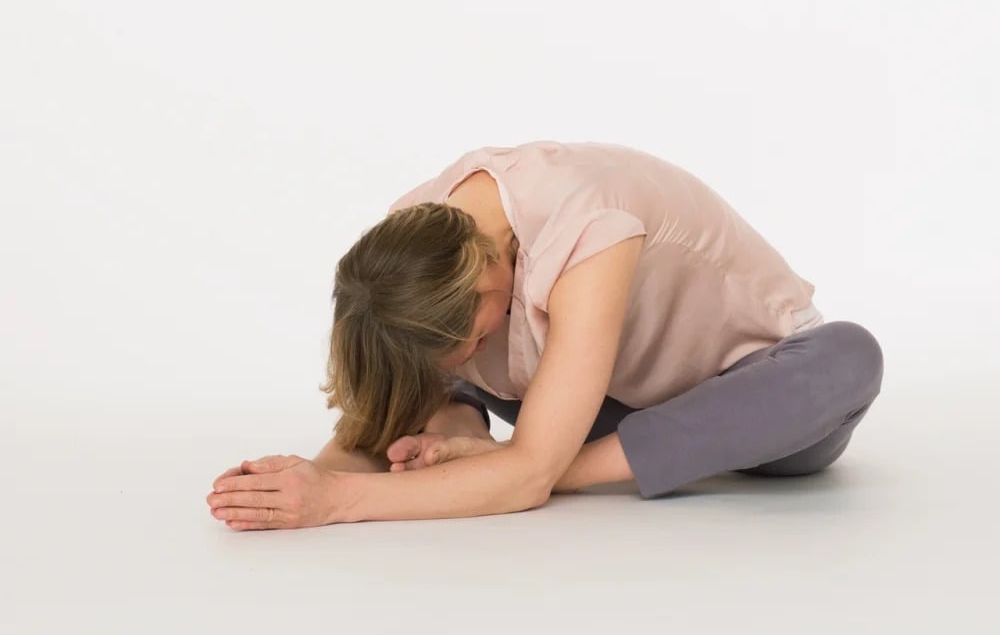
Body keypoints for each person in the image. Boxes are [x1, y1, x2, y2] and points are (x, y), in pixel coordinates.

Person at [207, 140, 884, 530]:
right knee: (414, 342)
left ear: (484, 280)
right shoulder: (416, 236)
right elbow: (389, 391)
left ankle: (515, 461)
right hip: (602, 402)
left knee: (851, 354)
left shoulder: (587, 226)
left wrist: (340, 502)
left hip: (752, 401)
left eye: (470, 339)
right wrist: (306, 478)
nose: (475, 356)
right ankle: (473, 443)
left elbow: (528, 476)